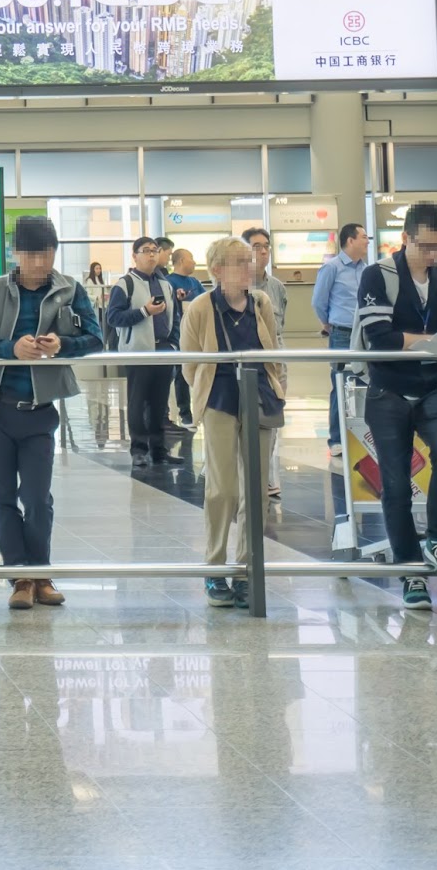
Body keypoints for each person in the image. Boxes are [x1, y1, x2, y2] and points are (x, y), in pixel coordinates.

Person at [0, 216, 103, 610]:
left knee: (38, 498)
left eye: (47, 252)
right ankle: (19, 577)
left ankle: (41, 572)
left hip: (39, 411)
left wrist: (63, 345)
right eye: (32, 253)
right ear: (16, 254)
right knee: (2, 498)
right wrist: (9, 349)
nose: (40, 261)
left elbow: (95, 337)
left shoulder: (69, 289)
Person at [353, 202, 437, 610]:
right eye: (425, 246)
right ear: (405, 238)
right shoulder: (379, 275)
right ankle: (409, 568)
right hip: (388, 390)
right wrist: (431, 338)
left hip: (433, 387)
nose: (433, 255)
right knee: (395, 483)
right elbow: (380, 337)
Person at [183, 237, 287, 609]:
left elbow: (272, 349)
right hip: (220, 401)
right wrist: (203, 393)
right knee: (222, 488)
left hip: (259, 398)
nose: (250, 267)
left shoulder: (262, 303)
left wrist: (278, 387)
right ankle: (214, 568)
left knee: (256, 492)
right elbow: (190, 362)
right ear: (217, 270)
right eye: (240, 261)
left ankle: (247, 568)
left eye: (251, 260)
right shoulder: (199, 307)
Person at [105, 236, 181, 468]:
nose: (151, 255)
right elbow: (113, 318)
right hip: (138, 351)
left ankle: (159, 450)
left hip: (163, 350)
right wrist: (144, 311)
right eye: (145, 250)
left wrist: (174, 343)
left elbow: (174, 318)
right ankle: (138, 449)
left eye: (154, 251)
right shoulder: (125, 284)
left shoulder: (166, 284)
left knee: (160, 403)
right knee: (138, 402)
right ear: (134, 255)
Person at [241, 228, 290, 499]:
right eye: (256, 246)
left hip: (275, 359)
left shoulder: (277, 287)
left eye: (266, 246)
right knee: (243, 417)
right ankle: (242, 471)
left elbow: (280, 325)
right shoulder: (236, 285)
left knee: (272, 415)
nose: (263, 251)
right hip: (246, 357)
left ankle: (267, 475)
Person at [163, 244, 203, 426]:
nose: (194, 262)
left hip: (195, 333)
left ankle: (193, 411)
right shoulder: (168, 282)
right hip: (176, 334)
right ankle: (182, 411)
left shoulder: (195, 282)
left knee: (190, 371)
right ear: (180, 261)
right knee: (178, 374)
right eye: (191, 258)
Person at [313, 222, 369, 352]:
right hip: (342, 334)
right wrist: (326, 323)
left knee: (363, 371)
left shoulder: (366, 269)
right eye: (364, 237)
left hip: (363, 332)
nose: (368, 242)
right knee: (341, 371)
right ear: (351, 241)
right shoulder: (331, 267)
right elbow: (318, 301)